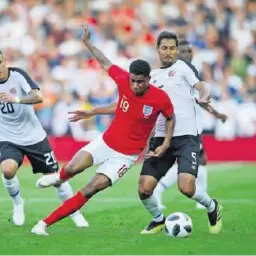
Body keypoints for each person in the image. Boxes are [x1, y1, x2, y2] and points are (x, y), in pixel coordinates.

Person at [68, 33, 223, 235]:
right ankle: (158, 219)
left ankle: (212, 207)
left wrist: (204, 95)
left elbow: (200, 86)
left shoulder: (183, 68)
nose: (168, 52)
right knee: (144, 189)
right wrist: (95, 110)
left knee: (186, 187)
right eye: (164, 48)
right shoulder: (150, 78)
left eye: (172, 48)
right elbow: (124, 102)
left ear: (176, 50)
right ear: (157, 50)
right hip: (160, 139)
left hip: (186, 138)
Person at [30, 23, 175, 236]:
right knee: (72, 168)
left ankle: (43, 224)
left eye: (140, 82)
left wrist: (166, 144)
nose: (135, 85)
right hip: (105, 142)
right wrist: (88, 43)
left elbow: (171, 119)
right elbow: (105, 62)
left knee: (90, 188)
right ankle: (60, 178)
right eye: (133, 81)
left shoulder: (160, 98)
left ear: (148, 80)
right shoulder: (123, 80)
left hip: (125, 157)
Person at [0, 48, 88, 227]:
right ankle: (18, 203)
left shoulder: (18, 75)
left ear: (5, 61)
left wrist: (16, 99)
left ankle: (74, 212)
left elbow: (38, 96)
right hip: (8, 137)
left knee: (56, 178)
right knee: (8, 170)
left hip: (34, 136)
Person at [153, 40, 228, 210]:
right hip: (182, 127)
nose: (187, 54)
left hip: (191, 126)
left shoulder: (189, 71)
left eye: (189, 51)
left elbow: (199, 99)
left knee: (201, 160)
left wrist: (216, 114)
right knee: (197, 160)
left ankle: (200, 196)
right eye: (183, 51)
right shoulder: (177, 71)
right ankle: (161, 188)